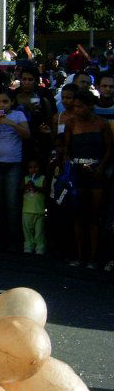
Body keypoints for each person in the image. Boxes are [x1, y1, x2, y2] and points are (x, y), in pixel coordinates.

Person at [64, 90, 113, 268]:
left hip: (97, 174)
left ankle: (93, 257)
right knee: (78, 216)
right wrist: (69, 168)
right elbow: (66, 149)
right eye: (75, 106)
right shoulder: (71, 124)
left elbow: (109, 149)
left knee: (94, 216)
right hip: (77, 174)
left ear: (90, 106)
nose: (77, 110)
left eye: (80, 106)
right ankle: (79, 255)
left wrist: (100, 167)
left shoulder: (101, 124)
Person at [0, 90, 30, 251]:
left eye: (5, 102)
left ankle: (14, 240)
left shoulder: (18, 115)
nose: (1, 105)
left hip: (13, 162)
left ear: (11, 103)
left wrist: (10, 123)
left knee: (11, 201)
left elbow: (27, 135)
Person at [22, 159, 46, 255]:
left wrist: (35, 187)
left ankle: (40, 247)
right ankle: (28, 246)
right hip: (27, 211)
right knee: (27, 231)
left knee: (39, 232)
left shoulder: (43, 178)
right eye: (30, 167)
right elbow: (20, 190)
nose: (33, 169)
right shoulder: (25, 179)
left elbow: (45, 190)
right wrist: (26, 186)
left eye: (35, 167)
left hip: (39, 210)